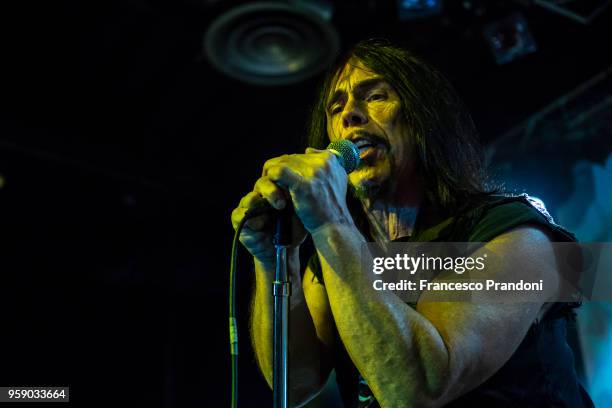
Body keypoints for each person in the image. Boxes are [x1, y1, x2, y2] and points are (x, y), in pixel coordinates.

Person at [231, 39, 593, 407]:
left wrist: (329, 222)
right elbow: (293, 384)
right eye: (335, 107)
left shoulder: (515, 236)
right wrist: (273, 258)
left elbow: (418, 390)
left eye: (374, 96)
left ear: (422, 118)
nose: (349, 115)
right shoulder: (335, 256)